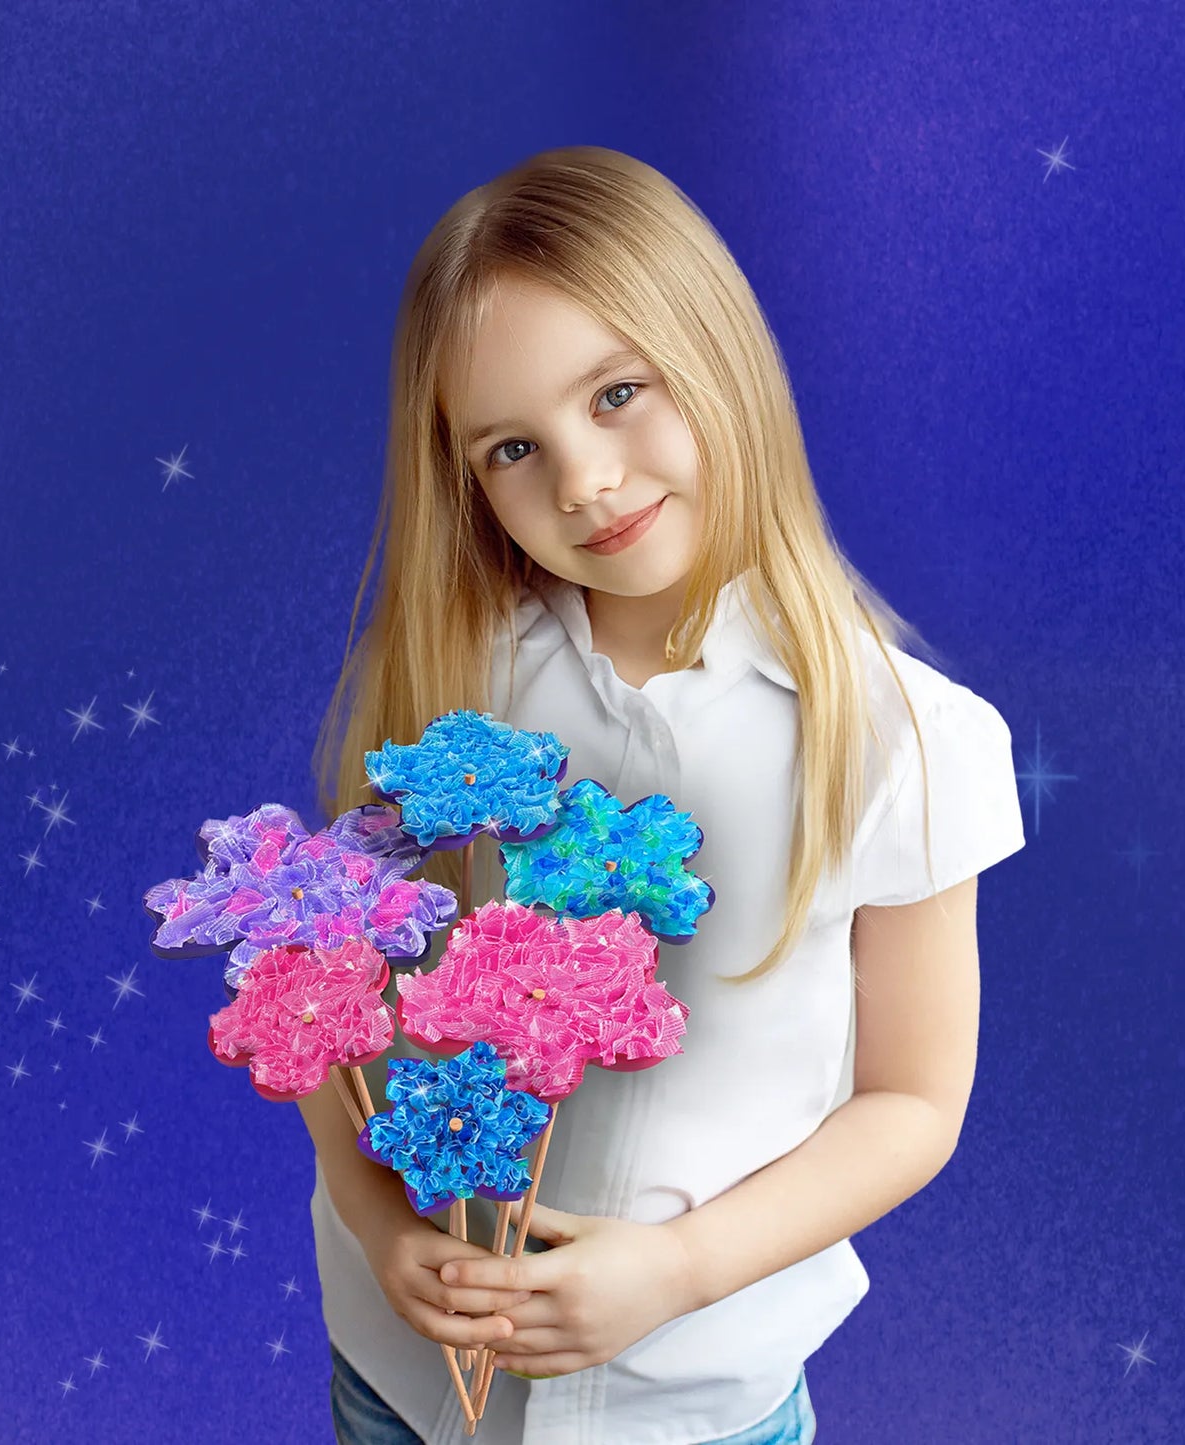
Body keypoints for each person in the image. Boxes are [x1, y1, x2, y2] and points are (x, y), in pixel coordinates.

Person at [297, 145, 1026, 1445]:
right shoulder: (454, 684)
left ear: (718, 357)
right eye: (514, 446)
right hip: (410, 1386)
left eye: (618, 393)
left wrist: (674, 1269)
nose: (582, 480)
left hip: (688, 1401)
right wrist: (374, 1217)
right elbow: (329, 991)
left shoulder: (904, 741)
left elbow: (911, 1102)